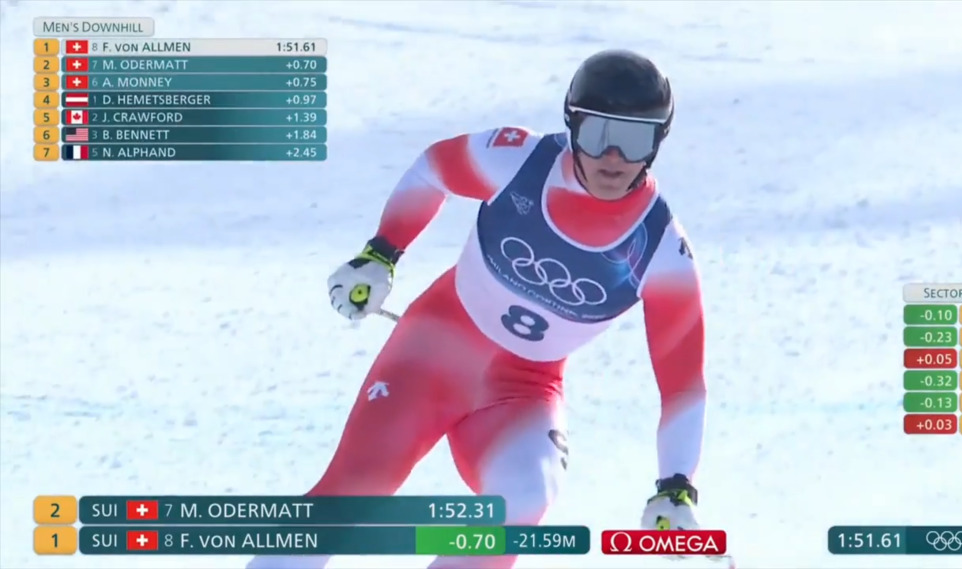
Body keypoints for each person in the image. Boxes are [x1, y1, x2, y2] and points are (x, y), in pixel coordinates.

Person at [247, 49, 708, 569]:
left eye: (635, 137)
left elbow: (683, 385)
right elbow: (432, 170)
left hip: (523, 390)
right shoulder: (518, 161)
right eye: (598, 132)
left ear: (658, 143)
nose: (613, 157)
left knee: (525, 498)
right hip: (432, 353)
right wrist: (381, 253)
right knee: (355, 492)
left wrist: (676, 486)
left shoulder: (661, 250)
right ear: (571, 123)